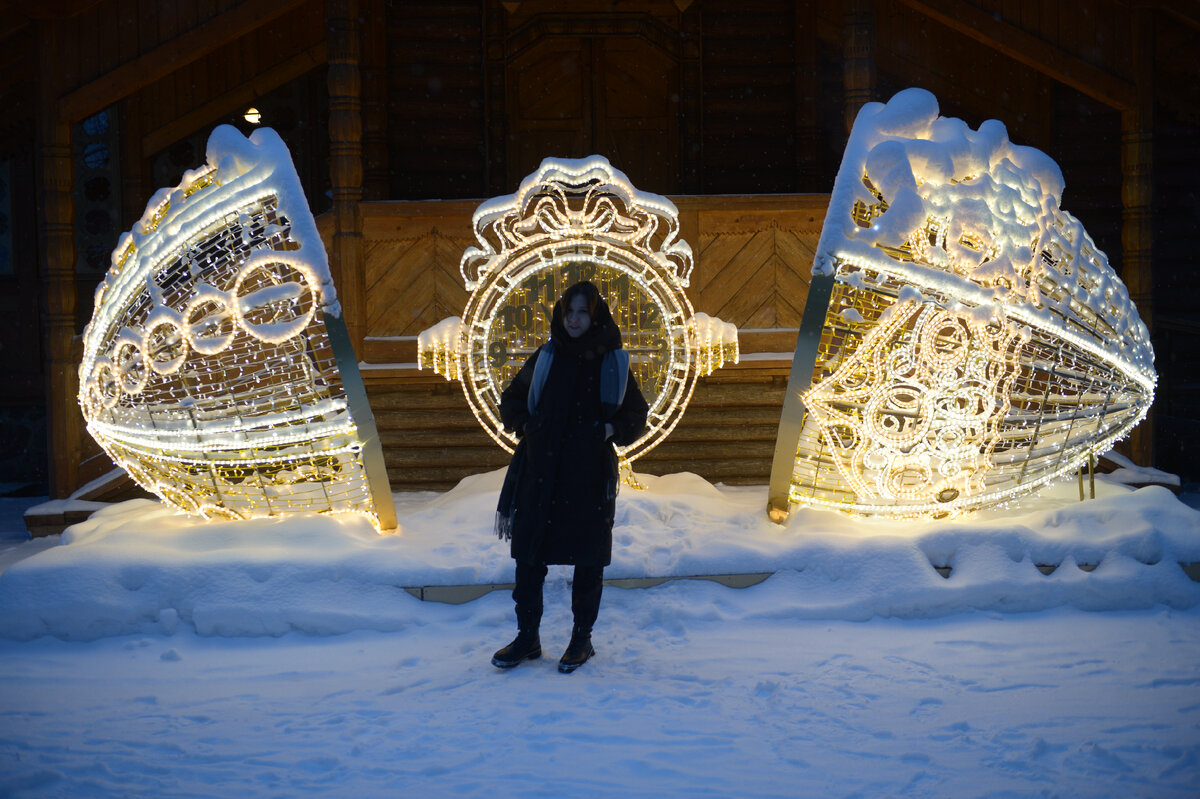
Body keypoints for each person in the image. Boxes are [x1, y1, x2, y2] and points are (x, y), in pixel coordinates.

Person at [492, 280, 649, 673]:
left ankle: (582, 639)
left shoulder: (612, 362)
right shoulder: (545, 357)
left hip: (587, 476)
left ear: (595, 317)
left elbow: (635, 415)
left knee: (588, 559)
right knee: (528, 557)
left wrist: (609, 431)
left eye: (582, 312)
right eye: (569, 311)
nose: (574, 320)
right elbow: (511, 399)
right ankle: (528, 638)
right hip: (539, 473)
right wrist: (528, 426)